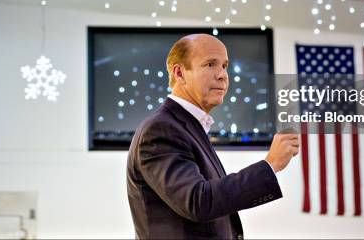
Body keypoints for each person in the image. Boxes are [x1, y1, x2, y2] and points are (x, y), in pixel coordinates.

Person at [127, 33, 299, 239]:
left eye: (224, 66)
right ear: (180, 73)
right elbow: (198, 201)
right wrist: (270, 165)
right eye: (210, 64)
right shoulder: (161, 129)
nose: (222, 75)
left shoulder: (187, 127)